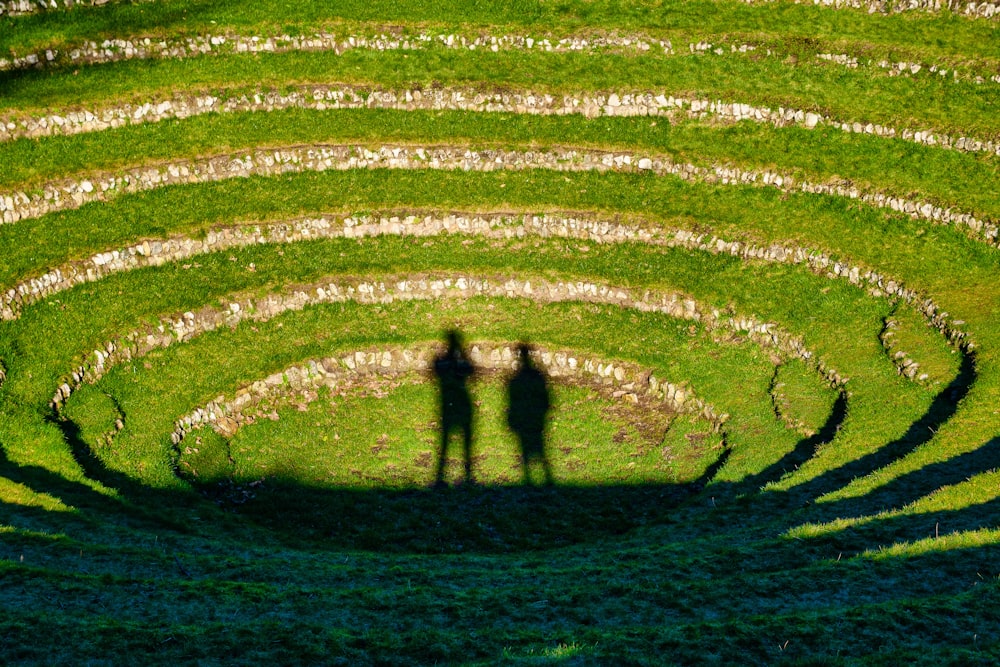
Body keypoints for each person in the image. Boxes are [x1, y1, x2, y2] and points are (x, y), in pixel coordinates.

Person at [433, 330, 476, 486]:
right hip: (460, 406)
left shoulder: (443, 363)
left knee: (446, 443)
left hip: (450, 407)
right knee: (463, 443)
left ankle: (441, 477)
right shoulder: (455, 364)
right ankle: (467, 475)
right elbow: (472, 370)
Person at [507, 343, 553, 486]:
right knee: (539, 448)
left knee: (528, 448)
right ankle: (545, 477)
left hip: (528, 419)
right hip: (536, 419)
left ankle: (530, 478)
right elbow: (546, 400)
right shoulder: (537, 376)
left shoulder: (515, 380)